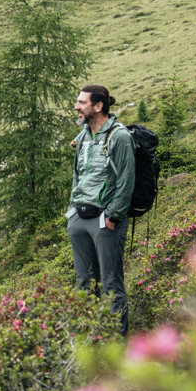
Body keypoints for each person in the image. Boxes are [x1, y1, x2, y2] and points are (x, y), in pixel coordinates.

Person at [67, 84, 135, 336]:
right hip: (79, 219)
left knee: (111, 285)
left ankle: (117, 348)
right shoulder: (83, 136)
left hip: (106, 221)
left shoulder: (120, 137)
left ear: (99, 106)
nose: (76, 106)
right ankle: (93, 343)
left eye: (81, 102)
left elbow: (126, 181)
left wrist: (113, 216)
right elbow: (78, 175)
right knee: (84, 285)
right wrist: (72, 213)